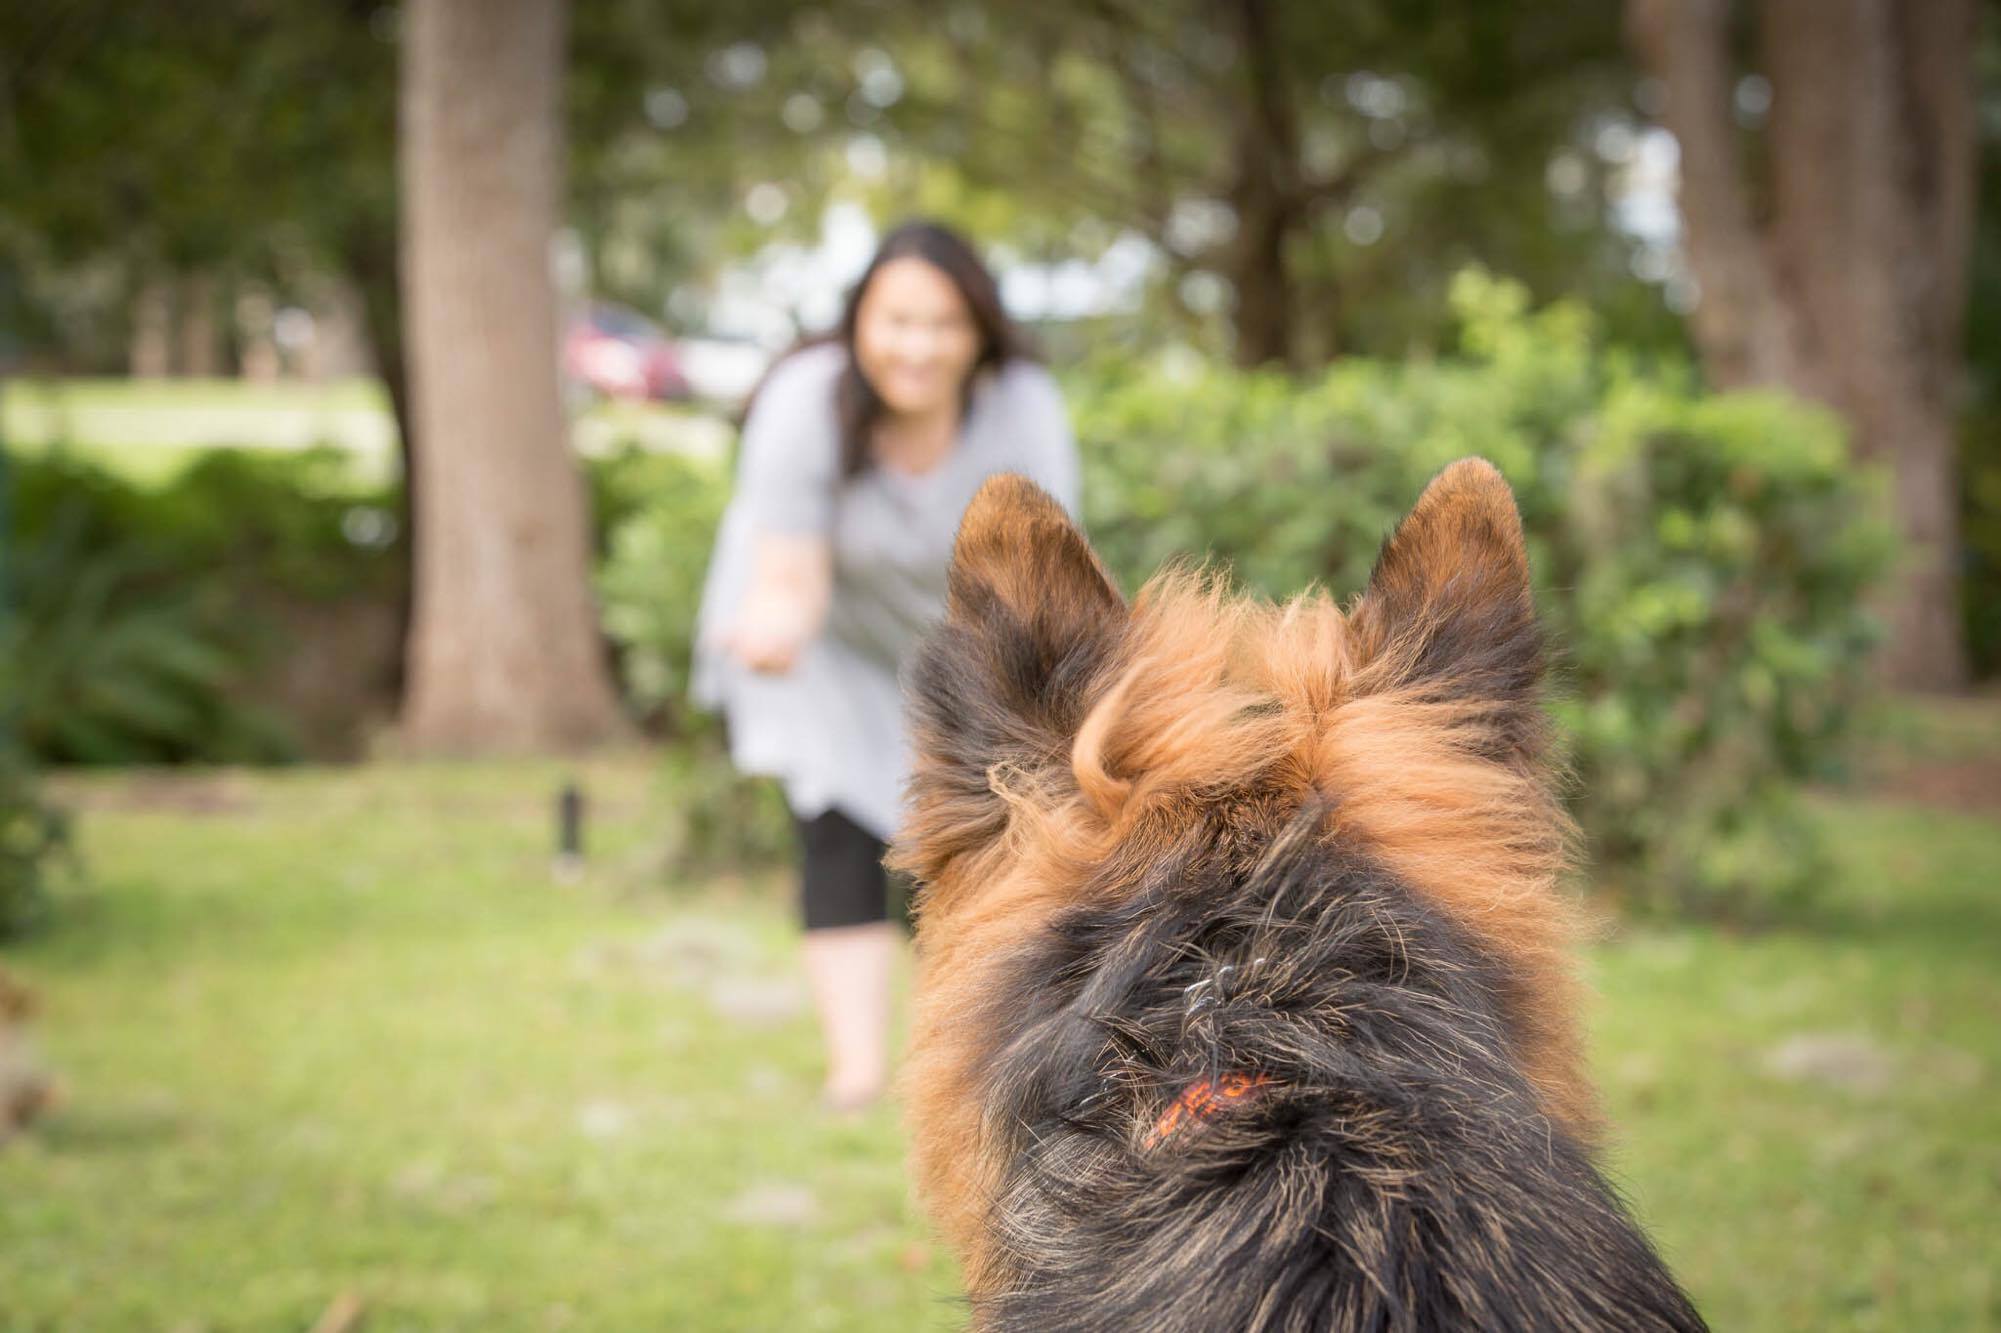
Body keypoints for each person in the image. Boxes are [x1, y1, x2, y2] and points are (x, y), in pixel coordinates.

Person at [692, 220, 1081, 1111]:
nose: (917, 346)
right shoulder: (805, 398)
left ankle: (968, 1054)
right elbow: (790, 571)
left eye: (942, 324)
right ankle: (857, 1072)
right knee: (838, 824)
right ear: (857, 322)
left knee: (973, 834)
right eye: (895, 320)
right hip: (818, 635)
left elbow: (1039, 566)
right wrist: (775, 623)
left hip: (956, 644)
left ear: (978, 330)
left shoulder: (1023, 403)